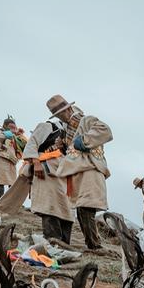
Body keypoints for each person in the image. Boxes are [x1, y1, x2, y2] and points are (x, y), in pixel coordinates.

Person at [46, 94, 113, 250]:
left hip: (90, 169)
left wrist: (83, 140)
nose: (60, 117)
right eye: (57, 115)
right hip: (77, 172)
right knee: (82, 208)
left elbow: (106, 131)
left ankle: (94, 245)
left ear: (69, 109)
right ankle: (92, 244)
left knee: (86, 206)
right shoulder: (65, 131)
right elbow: (71, 152)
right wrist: (63, 146)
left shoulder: (86, 120)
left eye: (61, 113)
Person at [21, 120, 72, 244]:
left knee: (66, 210)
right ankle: (53, 244)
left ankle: (64, 245)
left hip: (62, 173)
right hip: (46, 172)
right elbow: (32, 143)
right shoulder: (48, 126)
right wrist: (37, 163)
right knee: (49, 206)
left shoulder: (68, 133)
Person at [0, 116, 23, 200]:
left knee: (12, 183)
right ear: (5, 125)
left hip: (12, 161)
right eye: (11, 127)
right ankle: (0, 201)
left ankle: (10, 201)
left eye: (14, 127)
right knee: (1, 182)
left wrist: (18, 135)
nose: (13, 129)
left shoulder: (16, 137)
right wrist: (9, 133)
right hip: (1, 159)